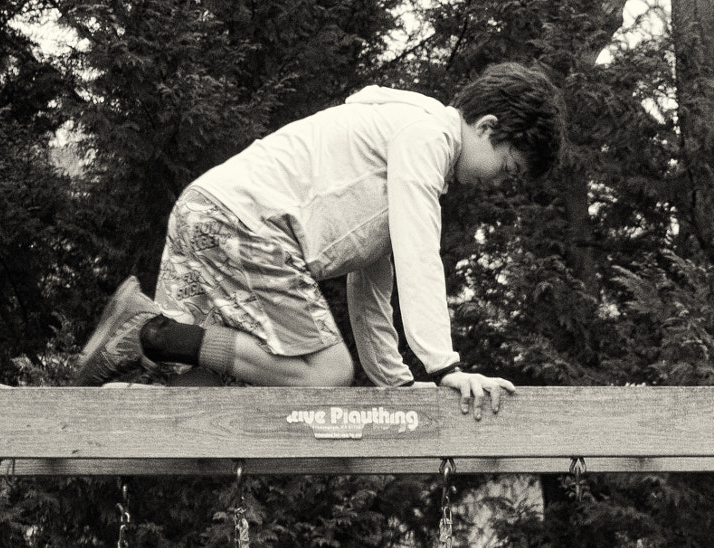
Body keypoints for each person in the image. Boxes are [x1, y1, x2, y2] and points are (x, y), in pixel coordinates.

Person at [82, 63, 561, 404]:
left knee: (201, 396)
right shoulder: (428, 137)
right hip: (246, 224)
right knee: (327, 373)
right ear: (487, 127)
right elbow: (419, 255)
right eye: (507, 168)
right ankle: (150, 332)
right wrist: (445, 368)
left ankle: (118, 382)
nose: (499, 183)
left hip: (209, 209)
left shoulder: (395, 139)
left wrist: (395, 383)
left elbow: (370, 286)